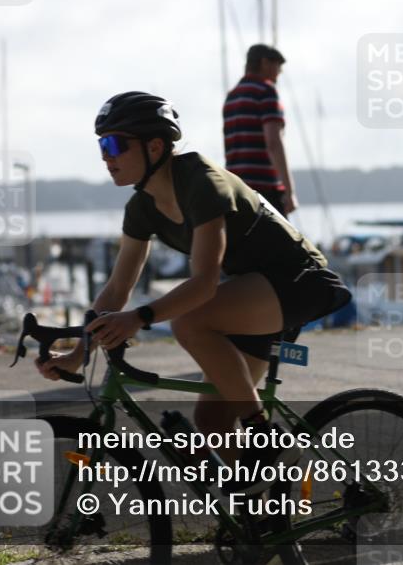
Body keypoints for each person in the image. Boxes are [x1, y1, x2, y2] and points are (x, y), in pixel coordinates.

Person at [36, 91, 351, 494]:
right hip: (250, 294)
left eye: (114, 144)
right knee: (212, 422)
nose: (105, 156)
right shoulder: (142, 207)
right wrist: (79, 353)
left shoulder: (201, 182)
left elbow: (204, 283)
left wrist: (140, 318)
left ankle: (262, 434)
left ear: (154, 146)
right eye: (101, 146)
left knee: (189, 322)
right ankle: (261, 511)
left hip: (300, 280)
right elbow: (117, 288)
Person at [223, 44, 297, 217]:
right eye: (278, 66)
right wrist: (289, 191)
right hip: (265, 190)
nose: (280, 72)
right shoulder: (265, 91)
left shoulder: (231, 96)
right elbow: (273, 142)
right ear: (265, 63)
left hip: (236, 189)